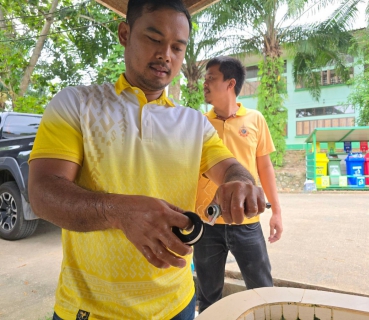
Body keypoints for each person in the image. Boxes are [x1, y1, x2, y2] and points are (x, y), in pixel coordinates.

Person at [27, 2, 268, 319]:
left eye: (177, 47)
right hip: (91, 309)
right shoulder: (75, 104)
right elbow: (43, 193)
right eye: (154, 38)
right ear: (125, 34)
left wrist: (242, 182)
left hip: (177, 305)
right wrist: (118, 211)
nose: (166, 54)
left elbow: (231, 168)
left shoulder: (194, 124)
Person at [194, 56, 283, 313]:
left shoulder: (255, 119)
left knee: (262, 290)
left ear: (230, 83)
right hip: (207, 224)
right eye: (205, 78)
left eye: (211, 78)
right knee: (208, 295)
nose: (205, 83)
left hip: (247, 221)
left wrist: (276, 211)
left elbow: (264, 167)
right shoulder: (198, 123)